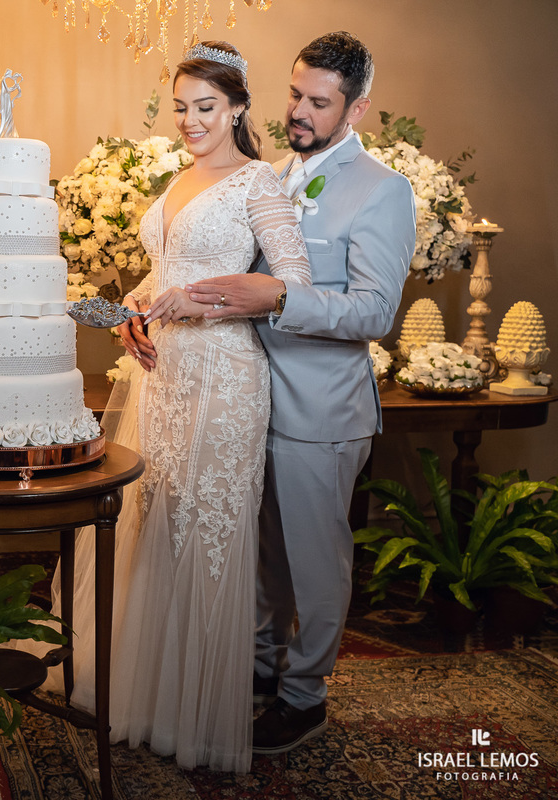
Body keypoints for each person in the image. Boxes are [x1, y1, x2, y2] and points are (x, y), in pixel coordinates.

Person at [58, 41, 312, 773]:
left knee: (205, 534)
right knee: (152, 520)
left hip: (226, 379)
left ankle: (194, 715)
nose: (191, 121)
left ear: (236, 108)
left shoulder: (258, 180)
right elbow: (162, 270)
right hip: (159, 376)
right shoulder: (176, 181)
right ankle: (138, 697)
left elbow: (291, 280)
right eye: (181, 108)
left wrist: (196, 301)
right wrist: (136, 307)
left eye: (206, 107)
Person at [183, 31, 417, 755]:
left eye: (320, 102)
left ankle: (304, 696)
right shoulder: (265, 174)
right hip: (245, 400)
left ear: (358, 106)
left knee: (315, 562)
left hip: (321, 412)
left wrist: (281, 295)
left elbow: (376, 313)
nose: (300, 112)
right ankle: (259, 673)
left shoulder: (383, 190)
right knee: (260, 556)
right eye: (294, 94)